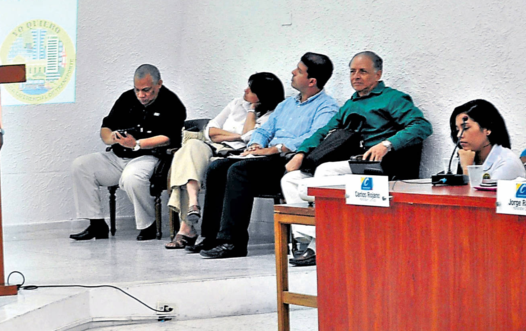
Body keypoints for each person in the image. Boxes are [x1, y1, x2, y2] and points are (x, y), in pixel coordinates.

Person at [280, 51, 433, 266]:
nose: (356, 77)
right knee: (291, 179)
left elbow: (422, 126)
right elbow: (323, 132)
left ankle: (319, 245)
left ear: (378, 74)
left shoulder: (393, 98)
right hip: (349, 164)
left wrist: (386, 144)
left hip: (379, 167)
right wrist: (301, 153)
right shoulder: (350, 104)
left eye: (363, 71)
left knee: (324, 172)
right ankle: (307, 240)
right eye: (352, 71)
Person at [198, 53, 338, 259]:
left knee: (239, 170)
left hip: (289, 161)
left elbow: (314, 137)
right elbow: (264, 130)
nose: (293, 72)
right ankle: (211, 237)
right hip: (266, 159)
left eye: (299, 71)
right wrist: (256, 144)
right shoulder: (287, 104)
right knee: (217, 167)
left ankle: (232, 242)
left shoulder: (327, 107)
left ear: (311, 81)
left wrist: (276, 148)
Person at [165, 72, 284, 249]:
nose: (245, 90)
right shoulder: (236, 104)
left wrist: (251, 112)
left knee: (203, 167)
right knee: (189, 148)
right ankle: (193, 204)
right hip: (215, 147)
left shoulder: (273, 114)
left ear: (262, 96)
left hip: (236, 154)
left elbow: (251, 138)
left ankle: (187, 228)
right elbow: (210, 131)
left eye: (251, 89)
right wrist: (238, 136)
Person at [70, 64, 186, 241]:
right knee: (81, 166)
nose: (141, 95)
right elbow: (106, 126)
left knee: (132, 177)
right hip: (118, 155)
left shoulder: (172, 103)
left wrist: (137, 144)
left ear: (159, 84)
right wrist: (111, 138)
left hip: (148, 156)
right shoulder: (126, 98)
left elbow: (169, 138)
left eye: (146, 90)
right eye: (137, 90)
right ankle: (97, 224)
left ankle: (148, 225)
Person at [449, 99, 525, 182]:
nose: (459, 135)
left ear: (488, 129)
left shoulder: (507, 163)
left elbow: (475, 190)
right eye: (457, 130)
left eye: (465, 128)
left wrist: (467, 169)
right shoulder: (467, 158)